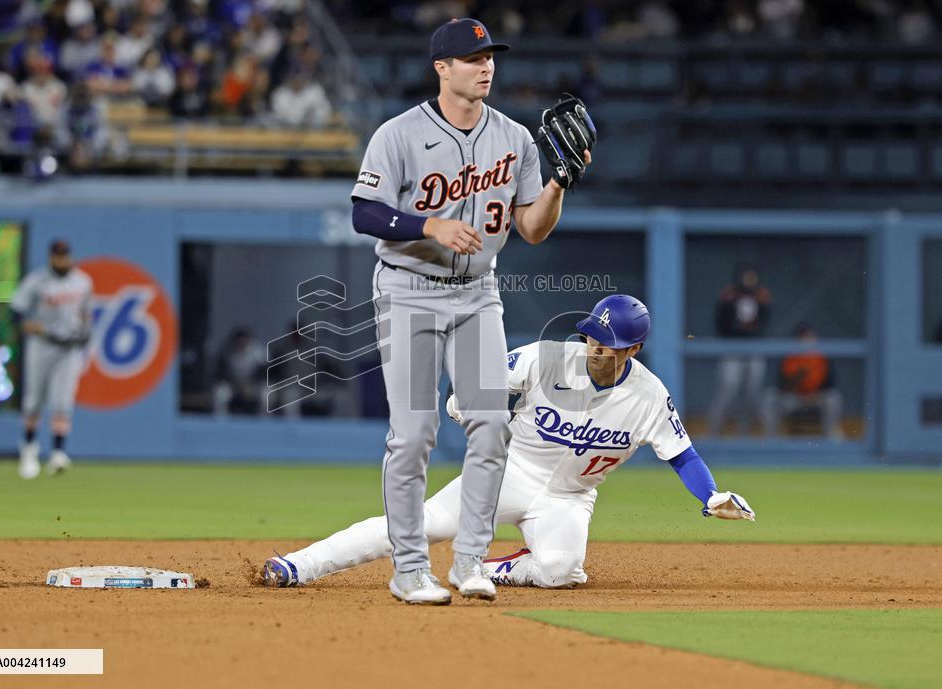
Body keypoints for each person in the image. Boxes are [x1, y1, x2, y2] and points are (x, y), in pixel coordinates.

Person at [339, 17, 594, 605]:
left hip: (478, 293)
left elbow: (531, 228)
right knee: (414, 435)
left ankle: (471, 562)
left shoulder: (515, 138)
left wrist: (557, 185)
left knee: (492, 425)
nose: (487, 66)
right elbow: (365, 214)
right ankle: (408, 570)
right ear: (442, 68)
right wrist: (428, 224)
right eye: (474, 58)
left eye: (490, 57)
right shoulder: (398, 135)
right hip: (408, 289)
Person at [262, 295, 755, 594]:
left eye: (609, 345)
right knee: (423, 524)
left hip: (569, 497)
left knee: (563, 572)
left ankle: (496, 569)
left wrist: (710, 496)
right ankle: (299, 566)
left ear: (634, 349)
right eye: (592, 339)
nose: (596, 349)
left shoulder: (649, 396)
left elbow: (682, 455)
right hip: (507, 471)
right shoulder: (546, 358)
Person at [9, 239, 94, 479]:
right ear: (50, 257)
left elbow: (86, 313)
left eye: (65, 255)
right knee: (34, 400)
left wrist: (86, 333)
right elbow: (15, 313)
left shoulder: (83, 281)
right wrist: (31, 327)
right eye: (58, 255)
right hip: (42, 345)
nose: (62, 259)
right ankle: (28, 449)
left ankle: (58, 453)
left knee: (62, 401)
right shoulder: (37, 281)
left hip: (69, 347)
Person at [707, 263, 772, 436]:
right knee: (727, 390)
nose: (749, 281)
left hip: (754, 349)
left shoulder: (761, 295)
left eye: (752, 277)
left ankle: (744, 434)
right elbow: (720, 322)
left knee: (752, 393)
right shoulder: (729, 295)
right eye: (746, 276)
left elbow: (765, 321)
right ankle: (712, 433)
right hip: (732, 349)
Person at [761, 323, 844, 440]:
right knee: (769, 397)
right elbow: (782, 387)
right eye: (803, 338)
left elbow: (831, 385)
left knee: (833, 398)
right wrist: (797, 379)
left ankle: (829, 435)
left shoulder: (822, 357)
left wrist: (815, 396)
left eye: (810, 337)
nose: (807, 342)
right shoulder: (789, 358)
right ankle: (771, 437)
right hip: (794, 399)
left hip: (816, 400)